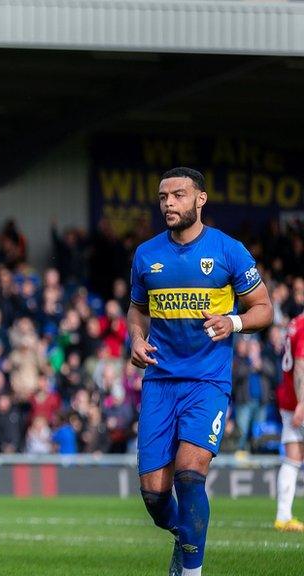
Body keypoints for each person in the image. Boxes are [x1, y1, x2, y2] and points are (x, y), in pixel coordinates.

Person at [128, 167, 272, 576]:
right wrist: (135, 340)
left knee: (190, 475)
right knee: (155, 497)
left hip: (207, 382)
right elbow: (136, 310)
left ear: (200, 200)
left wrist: (234, 322)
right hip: (158, 382)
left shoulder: (229, 251)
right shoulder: (147, 254)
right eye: (162, 197)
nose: (168, 203)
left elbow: (263, 308)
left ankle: (191, 570)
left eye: (177, 195)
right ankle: (188, 534)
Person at [274, 312, 304, 532]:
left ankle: (283, 516)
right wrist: (302, 402)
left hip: (287, 397)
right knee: (293, 457)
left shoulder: (295, 322)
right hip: (298, 398)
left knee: (293, 458)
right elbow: (302, 365)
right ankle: (283, 516)